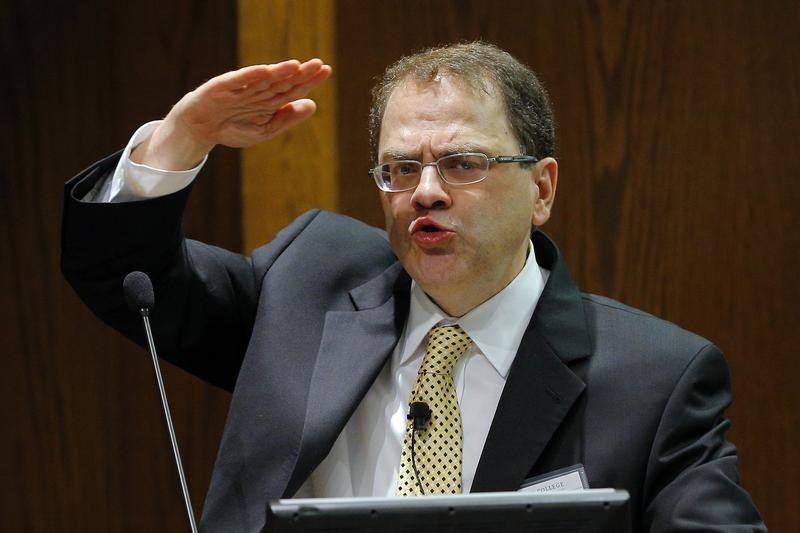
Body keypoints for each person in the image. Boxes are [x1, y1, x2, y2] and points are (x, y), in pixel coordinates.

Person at [61, 42, 765, 532]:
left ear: (541, 188)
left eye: (461, 163)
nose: (425, 191)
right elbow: (123, 276)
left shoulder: (656, 378)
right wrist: (182, 138)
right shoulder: (308, 287)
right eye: (400, 169)